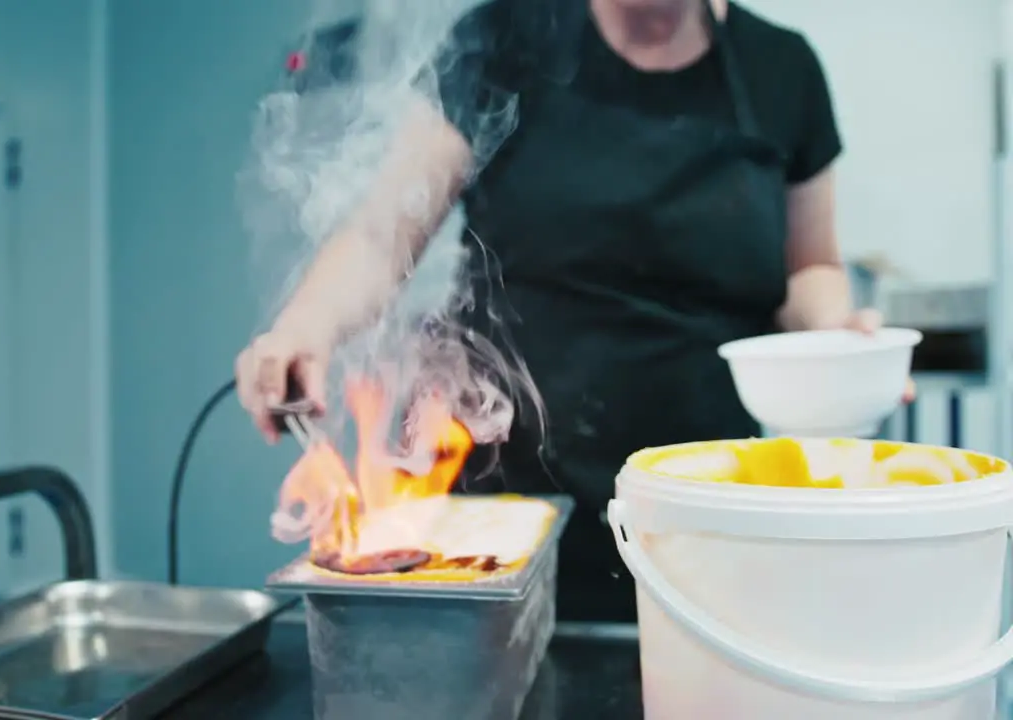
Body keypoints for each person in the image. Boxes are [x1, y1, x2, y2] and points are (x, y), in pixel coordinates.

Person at [236, 0, 883, 623]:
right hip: (513, 520)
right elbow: (382, 236)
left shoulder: (782, 68)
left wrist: (839, 342)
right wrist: (304, 326)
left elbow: (810, 267)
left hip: (708, 516)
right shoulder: (506, 34)